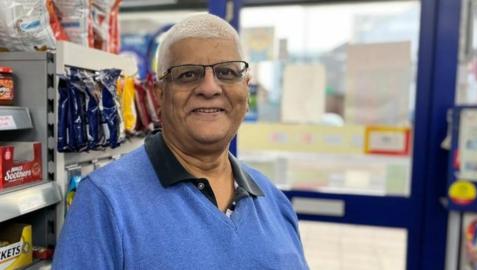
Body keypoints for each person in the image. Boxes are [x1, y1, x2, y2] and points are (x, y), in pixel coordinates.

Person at [52, 13, 309, 270]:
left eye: (227, 72)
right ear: (160, 96)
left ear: (245, 88)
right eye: (188, 75)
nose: (209, 88)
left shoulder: (274, 201)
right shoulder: (104, 201)